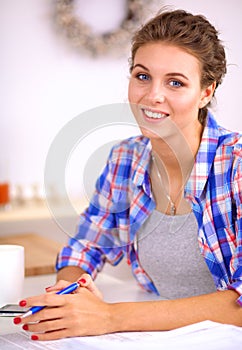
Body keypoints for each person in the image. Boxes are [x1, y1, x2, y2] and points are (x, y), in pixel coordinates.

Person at [14, 8, 242, 340]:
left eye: (175, 82)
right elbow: (87, 246)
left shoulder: (235, 164)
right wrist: (68, 295)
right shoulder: (126, 158)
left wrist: (110, 316)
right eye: (142, 76)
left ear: (206, 92)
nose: (152, 96)